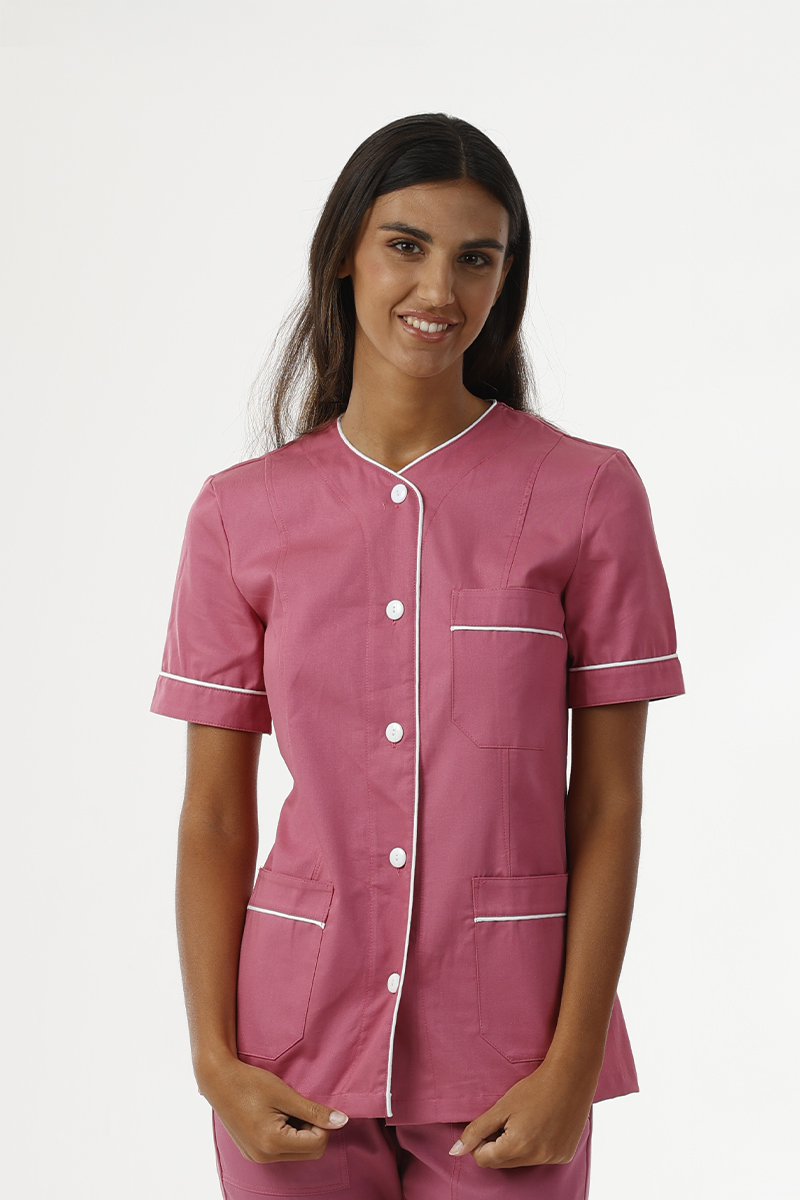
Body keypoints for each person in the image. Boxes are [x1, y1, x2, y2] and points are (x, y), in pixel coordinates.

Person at [151, 113, 685, 1200]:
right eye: (406, 245)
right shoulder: (238, 516)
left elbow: (608, 802)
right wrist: (215, 1063)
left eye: (476, 257)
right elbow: (213, 813)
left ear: (505, 278)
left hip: (511, 1059)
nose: (439, 287)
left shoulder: (587, 494)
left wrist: (571, 1066)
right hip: (287, 1053)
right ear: (345, 253)